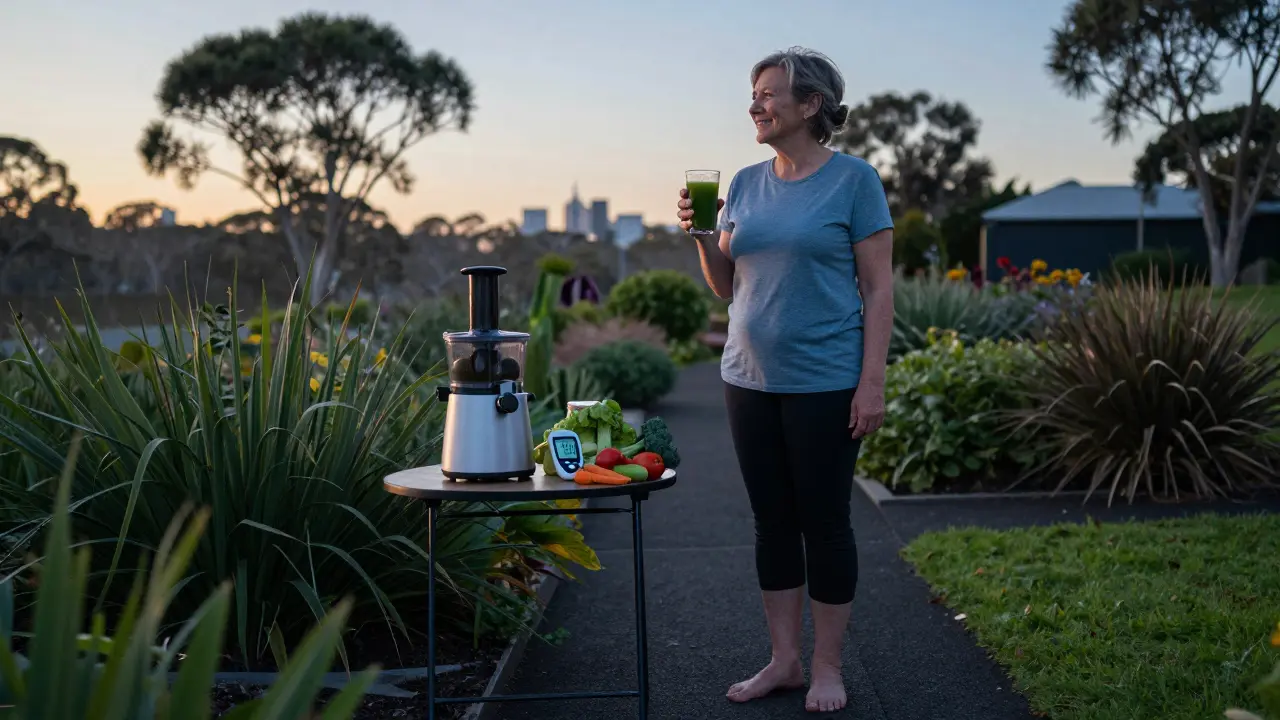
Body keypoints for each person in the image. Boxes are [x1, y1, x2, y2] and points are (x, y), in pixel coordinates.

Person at [676, 47, 894, 714]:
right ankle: (785, 661)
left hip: (826, 380)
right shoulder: (741, 182)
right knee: (772, 524)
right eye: (753, 94)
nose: (756, 106)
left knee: (825, 524)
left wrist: (872, 382)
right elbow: (726, 286)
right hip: (748, 379)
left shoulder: (854, 182)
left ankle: (828, 666)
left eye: (769, 94)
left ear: (811, 106)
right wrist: (701, 234)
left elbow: (879, 288)